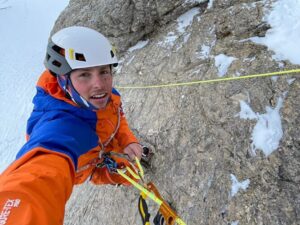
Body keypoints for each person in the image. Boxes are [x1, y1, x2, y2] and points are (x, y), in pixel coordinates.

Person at [0, 26, 142, 225]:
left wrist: (127, 140)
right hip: (84, 166)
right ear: (62, 80)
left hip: (100, 152)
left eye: (104, 72)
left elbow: (117, 115)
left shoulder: (99, 96)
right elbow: (39, 172)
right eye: (84, 74)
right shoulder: (60, 124)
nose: (99, 84)